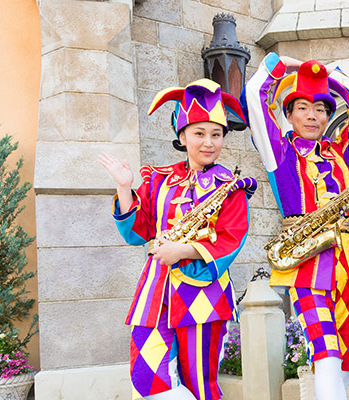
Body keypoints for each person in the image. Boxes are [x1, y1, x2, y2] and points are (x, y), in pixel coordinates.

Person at [99, 79, 256, 400]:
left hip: (204, 298)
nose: (208, 142)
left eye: (216, 134)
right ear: (182, 136)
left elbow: (232, 238)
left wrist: (182, 250)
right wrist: (124, 189)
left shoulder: (231, 187)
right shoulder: (158, 179)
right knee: (146, 378)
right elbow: (136, 232)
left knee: (201, 385)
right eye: (199, 133)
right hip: (155, 294)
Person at [241, 53, 349, 400]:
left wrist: (330, 76)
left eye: (320, 108)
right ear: (288, 115)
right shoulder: (279, 152)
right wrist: (281, 64)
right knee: (325, 348)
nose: (313, 116)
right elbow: (255, 95)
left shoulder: (339, 153)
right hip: (307, 264)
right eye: (302, 107)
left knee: (346, 355)